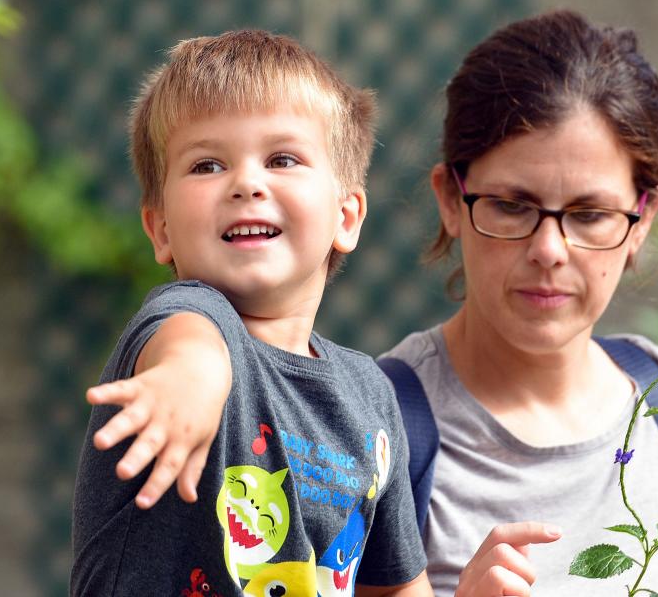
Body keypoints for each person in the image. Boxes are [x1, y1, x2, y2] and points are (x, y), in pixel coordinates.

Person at [379, 10, 658, 597]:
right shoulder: (375, 429)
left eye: (590, 215)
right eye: (512, 205)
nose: (549, 250)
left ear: (643, 221)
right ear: (450, 199)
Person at [70, 29, 430, 596]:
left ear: (347, 216)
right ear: (161, 228)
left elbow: (393, 588)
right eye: (207, 165)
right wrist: (189, 380)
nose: (246, 183)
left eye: (282, 158)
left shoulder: (370, 395)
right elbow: (192, 345)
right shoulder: (183, 319)